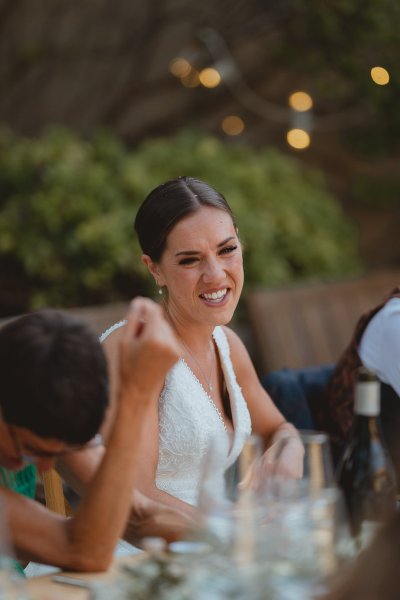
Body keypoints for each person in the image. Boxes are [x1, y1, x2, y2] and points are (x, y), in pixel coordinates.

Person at [96, 176, 304, 513]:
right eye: (190, 260)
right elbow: (136, 497)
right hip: (139, 549)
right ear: (155, 269)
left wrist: (291, 444)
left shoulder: (227, 344)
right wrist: (232, 532)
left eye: (227, 250)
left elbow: (278, 427)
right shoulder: (135, 347)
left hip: (213, 539)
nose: (216, 274)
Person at [0, 298, 181, 571]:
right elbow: (81, 550)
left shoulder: (41, 402)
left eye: (58, 455)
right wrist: (135, 396)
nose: (47, 467)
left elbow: (137, 515)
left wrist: (229, 538)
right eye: (30, 448)